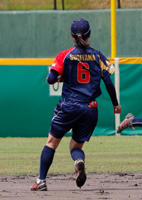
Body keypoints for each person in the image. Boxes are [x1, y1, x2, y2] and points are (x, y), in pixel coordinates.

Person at [31, 18, 121, 191]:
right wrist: (115, 104)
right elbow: (108, 82)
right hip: (90, 108)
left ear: (72, 36)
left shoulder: (64, 55)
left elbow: (51, 79)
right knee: (75, 146)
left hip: (69, 106)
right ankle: (78, 161)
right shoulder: (98, 55)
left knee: (51, 143)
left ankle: (41, 181)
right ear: (89, 34)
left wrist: (57, 77)